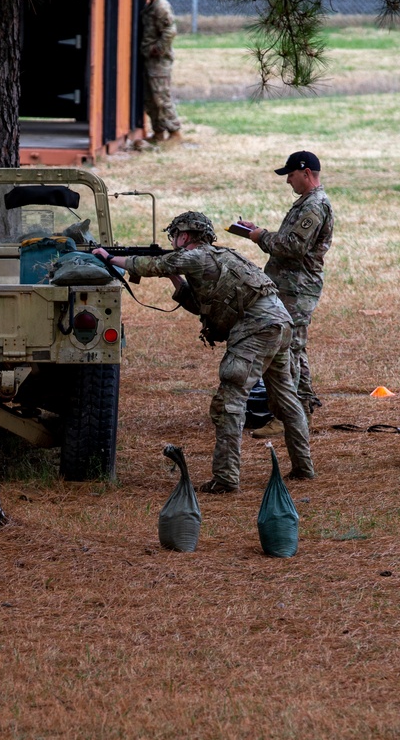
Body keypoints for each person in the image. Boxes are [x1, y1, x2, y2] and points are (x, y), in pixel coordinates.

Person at [95, 211, 313, 492]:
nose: (173, 241)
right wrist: (176, 280)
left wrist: (110, 258)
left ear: (184, 236)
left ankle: (225, 479)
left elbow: (154, 265)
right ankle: (303, 466)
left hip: (257, 328)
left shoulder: (195, 256)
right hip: (279, 324)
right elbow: (204, 303)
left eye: (174, 236)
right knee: (285, 398)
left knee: (229, 403)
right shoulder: (220, 257)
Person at [236, 149, 333, 416]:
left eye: (290, 175)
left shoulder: (313, 206)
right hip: (290, 286)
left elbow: (293, 247)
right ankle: (299, 409)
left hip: (298, 289)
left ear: (306, 173)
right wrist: (257, 232)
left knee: (289, 349)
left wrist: (259, 236)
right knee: (293, 348)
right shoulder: (306, 203)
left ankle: (290, 416)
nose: (288, 181)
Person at [138, 0, 182, 146]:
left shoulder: (161, 7)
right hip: (150, 60)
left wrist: (158, 49)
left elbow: (170, 30)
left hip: (159, 62)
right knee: (150, 98)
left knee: (162, 97)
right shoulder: (150, 6)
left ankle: (174, 131)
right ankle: (158, 133)